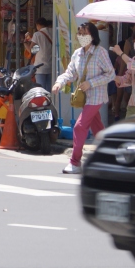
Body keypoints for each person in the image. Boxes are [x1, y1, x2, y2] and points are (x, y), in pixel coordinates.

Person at [53, 22, 115, 174]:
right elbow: (70, 73)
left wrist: (91, 83)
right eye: (79, 33)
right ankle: (110, 156)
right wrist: (59, 82)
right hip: (85, 97)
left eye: (84, 33)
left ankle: (75, 162)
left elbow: (111, 74)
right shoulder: (77, 54)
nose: (81, 36)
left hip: (96, 96)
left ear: (92, 35)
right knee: (98, 129)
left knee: (80, 126)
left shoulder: (100, 52)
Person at [28, 17, 53, 89]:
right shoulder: (53, 32)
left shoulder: (37, 34)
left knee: (40, 89)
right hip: (51, 66)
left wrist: (27, 44)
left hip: (40, 67)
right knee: (48, 91)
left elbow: (32, 50)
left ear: (38, 25)